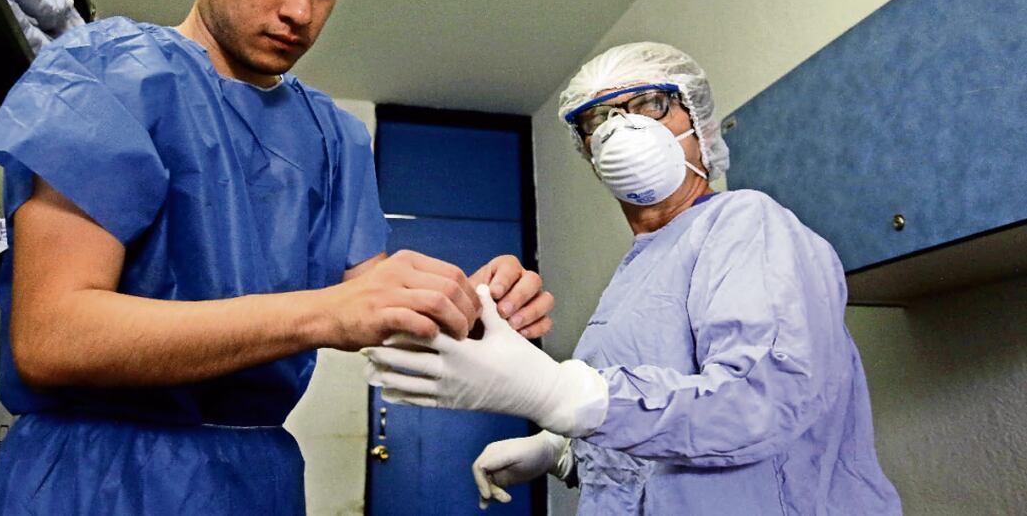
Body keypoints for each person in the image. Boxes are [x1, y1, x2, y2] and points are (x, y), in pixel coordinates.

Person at [0, 0, 553, 513]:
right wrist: (321, 313)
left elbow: (370, 306)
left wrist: (469, 309)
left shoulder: (334, 138)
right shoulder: (107, 74)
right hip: (93, 478)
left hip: (256, 482)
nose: (300, 10)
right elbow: (55, 338)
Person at [365, 42, 903, 514]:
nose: (623, 128)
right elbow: (658, 453)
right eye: (598, 118)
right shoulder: (638, 271)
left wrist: (559, 393)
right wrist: (563, 453)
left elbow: (757, 403)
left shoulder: (746, 222)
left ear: (700, 125)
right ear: (589, 152)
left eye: (650, 104)